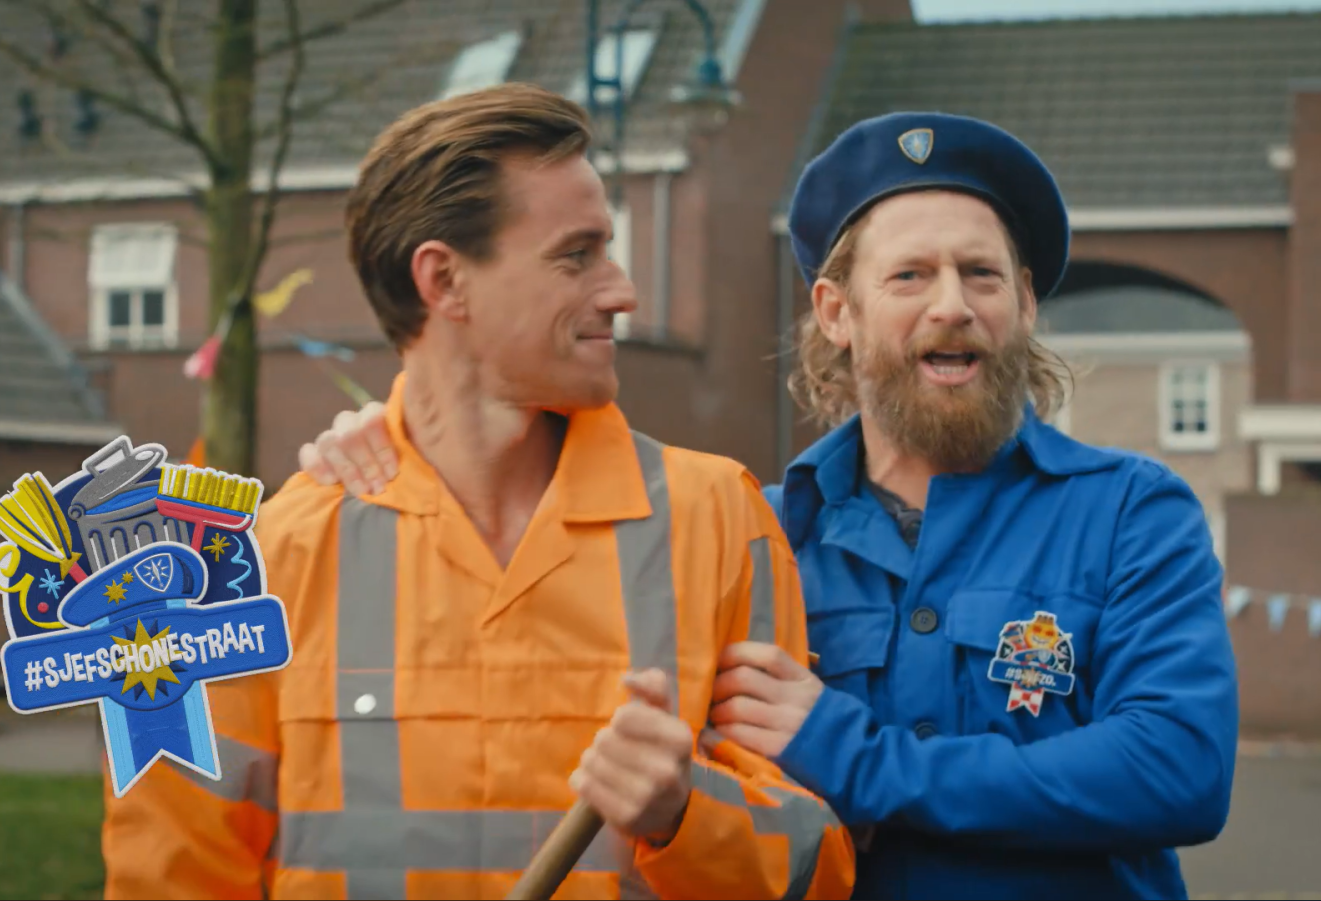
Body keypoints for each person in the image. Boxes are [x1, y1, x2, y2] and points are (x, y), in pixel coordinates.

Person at [297, 110, 1240, 900]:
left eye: (983, 274)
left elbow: (1176, 770)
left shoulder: (1129, 513)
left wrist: (856, 754)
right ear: (836, 311)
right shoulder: (757, 529)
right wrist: (403, 450)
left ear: (1026, 303)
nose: (952, 304)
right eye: (910, 276)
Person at [102, 84, 854, 901]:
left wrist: (685, 811)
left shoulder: (720, 519)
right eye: (578, 254)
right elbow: (170, 876)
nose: (622, 292)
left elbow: (818, 868)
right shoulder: (245, 572)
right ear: (444, 281)